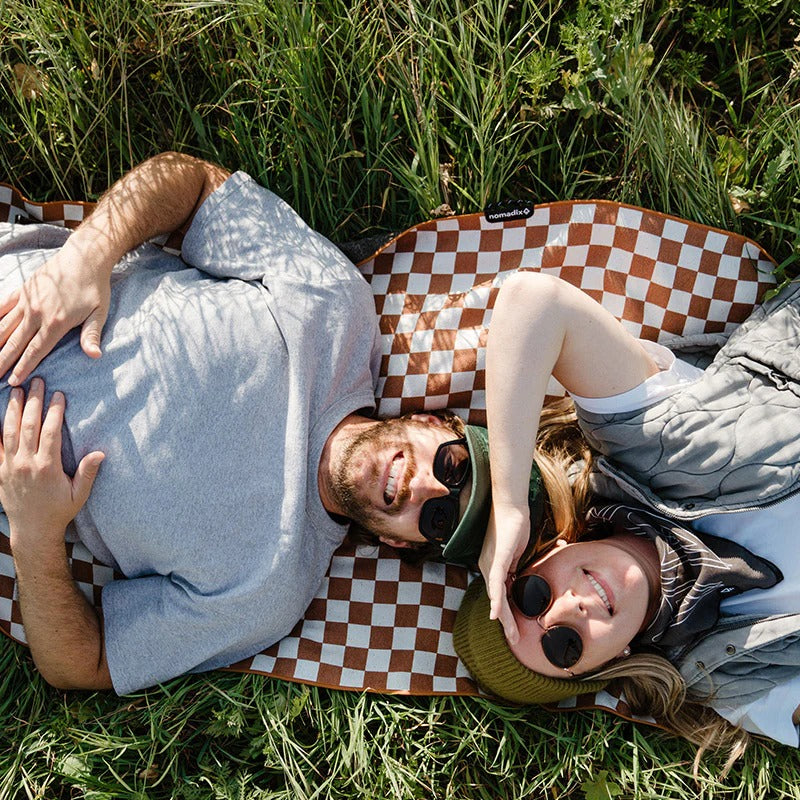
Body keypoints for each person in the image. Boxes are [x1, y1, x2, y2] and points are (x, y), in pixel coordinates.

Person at [0, 152, 486, 694]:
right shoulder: (336, 311)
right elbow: (190, 184)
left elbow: (83, 664)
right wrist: (86, 256)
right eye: (452, 464)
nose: (423, 487)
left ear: (399, 544)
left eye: (439, 517)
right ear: (431, 419)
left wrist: (34, 532)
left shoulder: (268, 592)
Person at [451, 270, 800, 756]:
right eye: (564, 646)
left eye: (531, 594)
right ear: (611, 662)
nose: (567, 607)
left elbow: (536, 301)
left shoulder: (637, 448)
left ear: (547, 550)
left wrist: (508, 506)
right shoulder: (727, 674)